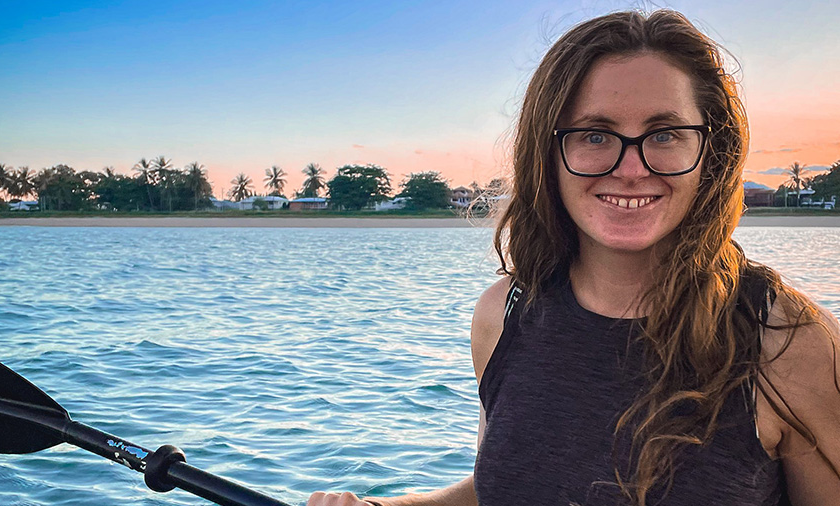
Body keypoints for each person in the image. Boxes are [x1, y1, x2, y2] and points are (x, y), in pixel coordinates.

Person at [307, 9, 840, 506]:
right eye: (594, 135)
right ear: (547, 153)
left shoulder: (785, 340)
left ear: (711, 153)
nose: (631, 169)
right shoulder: (504, 315)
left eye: (665, 134)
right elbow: (505, 481)